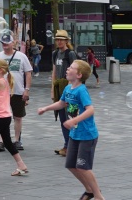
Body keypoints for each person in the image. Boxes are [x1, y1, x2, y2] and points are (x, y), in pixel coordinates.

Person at [38, 60, 105, 200]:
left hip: (87, 135)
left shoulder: (81, 90)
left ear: (79, 75)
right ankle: (89, 190)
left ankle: (98, 196)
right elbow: (62, 103)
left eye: (71, 68)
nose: (67, 69)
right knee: (70, 164)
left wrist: (74, 120)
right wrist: (46, 108)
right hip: (74, 134)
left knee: (83, 167)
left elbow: (90, 109)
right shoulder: (68, 88)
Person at [0, 32, 32, 152]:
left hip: (17, 91)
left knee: (18, 116)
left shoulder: (21, 56)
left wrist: (27, 89)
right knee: (0, 116)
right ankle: (1, 141)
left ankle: (16, 140)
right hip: (1, 92)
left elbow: (28, 73)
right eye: (3, 43)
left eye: (7, 43)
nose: (4, 45)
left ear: (13, 43)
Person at [49, 29, 77, 157]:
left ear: (66, 41)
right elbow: (54, 72)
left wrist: (72, 91)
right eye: (57, 39)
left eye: (61, 39)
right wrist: (52, 91)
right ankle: (67, 145)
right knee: (62, 119)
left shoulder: (70, 54)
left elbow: (76, 72)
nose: (59, 41)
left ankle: (71, 146)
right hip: (58, 89)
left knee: (69, 118)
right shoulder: (55, 54)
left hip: (69, 88)